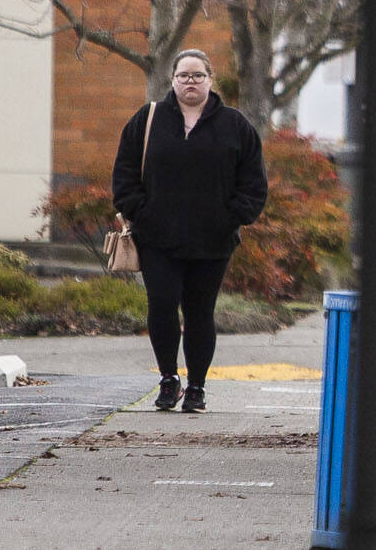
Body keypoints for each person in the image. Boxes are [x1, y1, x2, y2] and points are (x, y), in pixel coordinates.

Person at [111, 50, 269, 414]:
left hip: (213, 241)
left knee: (200, 312)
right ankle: (169, 380)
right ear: (173, 81)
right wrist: (141, 212)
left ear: (211, 80)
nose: (190, 82)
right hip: (156, 239)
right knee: (162, 303)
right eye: (184, 76)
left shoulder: (235, 125)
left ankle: (196, 386)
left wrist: (232, 217)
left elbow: (254, 182)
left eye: (198, 76)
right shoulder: (147, 119)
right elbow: (123, 174)